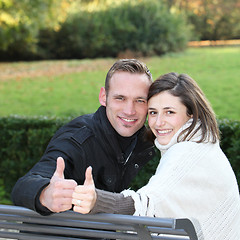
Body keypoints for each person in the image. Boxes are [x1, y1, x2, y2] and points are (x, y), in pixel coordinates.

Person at [72, 72, 240, 240]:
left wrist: (97, 200)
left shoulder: (188, 152)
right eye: (153, 112)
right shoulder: (203, 147)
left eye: (169, 112)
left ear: (191, 114)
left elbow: (147, 204)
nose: (158, 123)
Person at [11, 59, 156, 216]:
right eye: (120, 98)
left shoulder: (150, 143)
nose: (129, 110)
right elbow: (23, 186)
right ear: (103, 97)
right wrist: (45, 194)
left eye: (140, 100)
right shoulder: (77, 138)